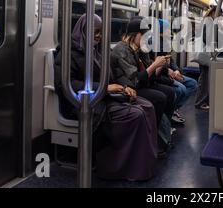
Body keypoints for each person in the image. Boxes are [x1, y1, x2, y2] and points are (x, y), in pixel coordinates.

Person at [54, 14, 157, 181]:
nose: (99, 36)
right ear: (84, 31)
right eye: (95, 32)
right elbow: (66, 84)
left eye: (101, 32)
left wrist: (126, 87)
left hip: (106, 97)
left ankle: (143, 164)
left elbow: (114, 74)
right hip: (87, 103)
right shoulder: (68, 54)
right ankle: (116, 167)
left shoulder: (100, 51)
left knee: (147, 106)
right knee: (135, 114)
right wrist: (103, 88)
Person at [110, 16, 176, 152]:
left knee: (170, 92)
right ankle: (152, 136)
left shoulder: (140, 49)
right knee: (159, 98)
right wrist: (154, 66)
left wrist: (159, 65)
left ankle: (160, 132)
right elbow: (135, 80)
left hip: (142, 84)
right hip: (129, 87)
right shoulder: (121, 50)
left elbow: (148, 76)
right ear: (135, 35)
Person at [157, 19, 198, 124]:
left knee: (192, 84)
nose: (169, 31)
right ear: (161, 31)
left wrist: (176, 70)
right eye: (167, 29)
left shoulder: (166, 43)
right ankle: (169, 112)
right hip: (162, 76)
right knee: (181, 89)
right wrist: (170, 72)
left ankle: (173, 109)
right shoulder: (154, 45)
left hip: (170, 73)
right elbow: (157, 65)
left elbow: (171, 61)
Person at [194, 6, 216, 111]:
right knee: (204, 79)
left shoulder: (207, 20)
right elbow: (206, 38)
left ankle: (203, 101)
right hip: (205, 54)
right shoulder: (209, 21)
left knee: (205, 78)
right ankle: (200, 102)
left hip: (204, 54)